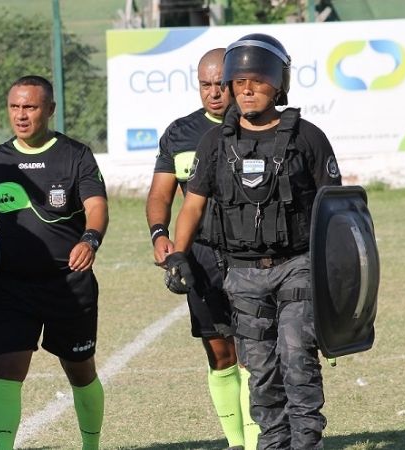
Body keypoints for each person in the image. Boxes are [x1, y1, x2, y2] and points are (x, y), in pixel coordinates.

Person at [165, 34, 342, 449]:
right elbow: (191, 206)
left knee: (297, 360)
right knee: (260, 372)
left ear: (278, 85)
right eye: (238, 81)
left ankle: (307, 444)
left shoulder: (308, 138)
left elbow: (336, 210)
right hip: (241, 274)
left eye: (258, 81)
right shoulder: (214, 143)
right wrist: (177, 253)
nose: (246, 90)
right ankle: (272, 443)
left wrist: (337, 272)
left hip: (297, 265)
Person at [0, 75, 108, 450]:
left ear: (49, 110)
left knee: (80, 372)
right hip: (12, 285)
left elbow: (96, 207)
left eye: (30, 107)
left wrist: (89, 239)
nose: (21, 115)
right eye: (15, 107)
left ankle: (91, 446)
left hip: (68, 284)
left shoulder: (75, 154)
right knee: (8, 370)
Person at [146, 48, 257, 450]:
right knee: (220, 354)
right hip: (202, 257)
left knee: (253, 354)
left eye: (219, 85)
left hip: (253, 256)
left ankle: (258, 443)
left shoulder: (257, 126)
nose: (213, 93)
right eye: (205, 85)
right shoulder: (179, 133)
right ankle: (235, 442)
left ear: (234, 83)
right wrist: (161, 235)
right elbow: (160, 193)